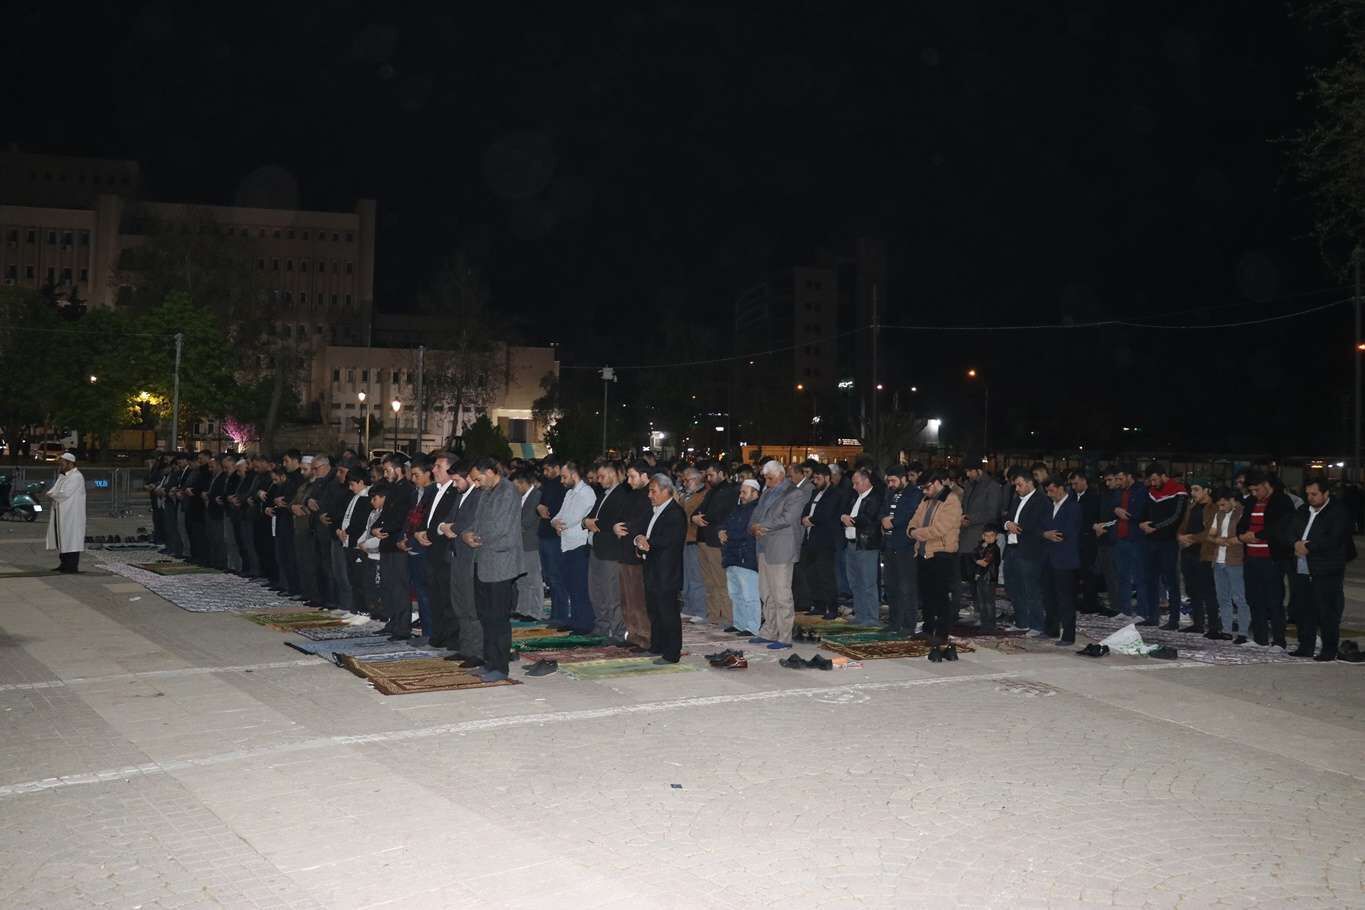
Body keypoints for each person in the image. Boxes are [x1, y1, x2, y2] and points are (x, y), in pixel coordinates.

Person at [463, 457, 523, 682]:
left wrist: (476, 537)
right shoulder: (486, 492)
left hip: (500, 563)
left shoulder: (508, 491)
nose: (476, 484)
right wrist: (466, 534)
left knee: (498, 617)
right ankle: (489, 662)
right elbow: (477, 521)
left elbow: (499, 527)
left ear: (489, 472)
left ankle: (500, 666)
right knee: (485, 616)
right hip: (483, 560)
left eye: (478, 479)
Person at [1286, 476, 1353, 661]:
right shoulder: (1302, 510)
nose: (1310, 498)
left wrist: (1308, 546)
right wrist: (1295, 543)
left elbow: (1334, 539)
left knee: (1327, 611)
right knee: (1304, 609)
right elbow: (1290, 530)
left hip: (1326, 568)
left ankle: (1329, 650)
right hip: (1302, 566)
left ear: (1326, 493)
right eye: (1308, 494)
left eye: (1314, 494)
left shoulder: (1338, 512)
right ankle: (1306, 646)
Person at [749, 460, 805, 649]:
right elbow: (755, 513)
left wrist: (762, 526)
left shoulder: (794, 493)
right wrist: (753, 527)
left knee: (781, 595)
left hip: (782, 549)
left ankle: (784, 636)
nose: (767, 481)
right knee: (766, 594)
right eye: (765, 478)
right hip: (763, 547)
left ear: (781, 475)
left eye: (770, 478)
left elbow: (787, 518)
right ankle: (769, 631)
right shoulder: (767, 492)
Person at [633, 473, 688, 663]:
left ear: (666, 491)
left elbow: (670, 540)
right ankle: (657, 645)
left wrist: (648, 543)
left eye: (653, 491)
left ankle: (672, 653)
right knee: (654, 611)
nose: (649, 495)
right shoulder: (655, 510)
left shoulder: (675, 512)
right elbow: (642, 532)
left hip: (667, 571)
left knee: (668, 612)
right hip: (652, 568)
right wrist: (639, 542)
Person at [1236, 470, 1294, 648]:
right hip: (1251, 557)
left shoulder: (1282, 501)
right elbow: (1242, 523)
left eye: (1257, 489)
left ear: (1267, 484)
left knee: (1274, 600)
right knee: (1254, 598)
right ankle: (1260, 638)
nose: (1254, 494)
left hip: (1272, 559)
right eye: (1251, 490)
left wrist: (1257, 535)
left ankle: (1278, 640)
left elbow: (1280, 526)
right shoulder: (1251, 501)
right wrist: (1242, 536)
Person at [907, 470, 963, 650]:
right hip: (923, 553)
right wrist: (912, 531)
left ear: (937, 482)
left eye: (927, 487)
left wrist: (917, 533)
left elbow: (940, 529)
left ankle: (941, 633)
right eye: (922, 488)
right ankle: (928, 628)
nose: (924, 491)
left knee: (941, 595)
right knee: (926, 595)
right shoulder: (926, 500)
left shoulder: (951, 500)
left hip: (942, 553)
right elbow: (913, 521)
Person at [441, 461, 485, 665]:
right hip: (456, 555)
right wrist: (446, 527)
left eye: (457, 480)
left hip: (470, 556)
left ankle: (477, 652)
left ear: (468, 477)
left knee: (471, 605)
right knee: (459, 603)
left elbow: (468, 524)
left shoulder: (478, 496)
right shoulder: (460, 496)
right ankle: (465, 648)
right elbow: (446, 521)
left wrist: (452, 528)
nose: (454, 485)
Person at [373, 454, 416, 640]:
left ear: (398, 469)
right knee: (388, 585)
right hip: (386, 543)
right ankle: (392, 621)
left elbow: (403, 517)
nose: (385, 474)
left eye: (387, 470)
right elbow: (384, 514)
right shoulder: (391, 488)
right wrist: (375, 528)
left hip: (398, 544)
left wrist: (385, 529)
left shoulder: (408, 489)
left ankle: (402, 627)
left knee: (399, 587)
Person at [551, 461, 597, 634]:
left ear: (574, 474)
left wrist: (559, 523)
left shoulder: (587, 493)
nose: (562, 481)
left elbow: (573, 518)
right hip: (566, 544)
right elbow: (558, 515)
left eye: (564, 477)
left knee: (580, 586)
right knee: (570, 584)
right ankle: (576, 619)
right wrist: (555, 523)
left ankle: (585, 623)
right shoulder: (570, 493)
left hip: (579, 544)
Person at [1140, 463, 1187, 629]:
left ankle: (1174, 620)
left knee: (1171, 581)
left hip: (1168, 542)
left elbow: (1176, 517)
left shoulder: (1179, 491)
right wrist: (1142, 524)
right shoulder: (1151, 492)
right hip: (1151, 541)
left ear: (1163, 475)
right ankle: (1152, 617)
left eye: (1154, 479)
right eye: (1150, 480)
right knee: (1150, 580)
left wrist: (1155, 526)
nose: (1153, 483)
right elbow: (1144, 512)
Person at [1003, 468, 1049, 635]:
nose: (1017, 488)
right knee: (1014, 588)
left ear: (1030, 483)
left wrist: (1018, 527)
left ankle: (1037, 625)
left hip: (1029, 551)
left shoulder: (1041, 501)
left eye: (1020, 485)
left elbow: (1037, 526)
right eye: (1015, 485)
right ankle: (1021, 622)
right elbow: (1005, 516)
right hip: (1011, 549)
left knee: (1031, 589)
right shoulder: (1017, 499)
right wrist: (1007, 524)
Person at [613, 461, 654, 649]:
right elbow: (620, 516)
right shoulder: (631, 494)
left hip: (638, 554)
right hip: (624, 551)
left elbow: (644, 521)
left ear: (644, 476)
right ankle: (633, 635)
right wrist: (616, 526)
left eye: (632, 477)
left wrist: (626, 528)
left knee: (638, 598)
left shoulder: (650, 495)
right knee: (627, 598)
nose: (628, 481)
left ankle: (645, 637)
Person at [693, 461, 738, 629]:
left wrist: (700, 517)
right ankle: (713, 614)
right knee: (708, 581)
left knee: (720, 581)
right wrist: (694, 517)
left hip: (716, 541)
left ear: (721, 474)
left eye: (711, 475)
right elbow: (698, 509)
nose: (708, 478)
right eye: (707, 475)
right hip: (704, 539)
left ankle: (726, 616)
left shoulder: (729, 491)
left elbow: (716, 513)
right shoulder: (711, 491)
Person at [585, 462, 626, 643]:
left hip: (611, 551)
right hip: (596, 548)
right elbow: (589, 518)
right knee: (596, 591)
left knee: (612, 594)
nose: (599, 480)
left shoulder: (622, 494)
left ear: (612, 474)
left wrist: (593, 523)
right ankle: (602, 626)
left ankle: (617, 631)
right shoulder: (603, 494)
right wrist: (586, 522)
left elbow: (614, 521)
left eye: (602, 476)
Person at [796, 462, 843, 620]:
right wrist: (804, 518)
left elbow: (827, 514)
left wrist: (812, 520)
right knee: (811, 574)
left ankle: (832, 607)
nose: (815, 481)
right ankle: (819, 604)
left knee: (826, 575)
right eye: (814, 478)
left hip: (825, 541)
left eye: (818, 478)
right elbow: (806, 509)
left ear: (827, 478)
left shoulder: (835, 494)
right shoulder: (815, 492)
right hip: (810, 539)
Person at [879, 465, 920, 633]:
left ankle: (908, 624)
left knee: (906, 587)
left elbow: (910, 515)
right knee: (891, 586)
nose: (891, 484)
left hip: (905, 546)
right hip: (889, 545)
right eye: (888, 481)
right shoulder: (890, 492)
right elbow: (882, 510)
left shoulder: (914, 494)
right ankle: (894, 622)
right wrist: (883, 519)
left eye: (893, 481)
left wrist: (893, 522)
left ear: (904, 478)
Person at [840, 467, 883, 626]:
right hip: (852, 544)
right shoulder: (855, 497)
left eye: (856, 483)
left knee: (867, 583)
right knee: (855, 582)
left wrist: (849, 519)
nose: (854, 486)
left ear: (866, 481)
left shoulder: (875, 498)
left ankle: (871, 618)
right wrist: (844, 517)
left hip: (866, 546)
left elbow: (868, 519)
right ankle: (861, 615)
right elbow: (846, 514)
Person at [1041, 476, 1080, 645]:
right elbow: (1041, 527)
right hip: (1049, 557)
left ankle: (1068, 635)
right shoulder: (1049, 506)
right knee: (1049, 596)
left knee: (1066, 598)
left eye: (1052, 490)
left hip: (1065, 558)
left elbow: (1069, 531)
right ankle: (1051, 629)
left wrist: (1050, 534)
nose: (1049, 494)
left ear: (1061, 488)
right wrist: (1044, 534)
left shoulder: (1073, 507)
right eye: (1047, 491)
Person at [1177, 479, 1219, 635]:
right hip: (1188, 552)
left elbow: (1210, 532)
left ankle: (1214, 626)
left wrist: (1191, 539)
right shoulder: (1192, 506)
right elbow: (1182, 525)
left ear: (1207, 490)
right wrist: (1180, 536)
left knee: (1208, 591)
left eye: (1196, 489)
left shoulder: (1213, 508)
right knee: (1192, 590)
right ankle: (1198, 623)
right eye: (1192, 490)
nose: (1193, 493)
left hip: (1204, 553)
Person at [1204, 487, 1247, 641]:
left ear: (1232, 501)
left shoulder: (1242, 513)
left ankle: (1243, 632)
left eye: (1223, 504)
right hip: (1219, 560)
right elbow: (1210, 535)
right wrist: (1218, 540)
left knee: (1239, 598)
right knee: (1223, 598)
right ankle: (1226, 630)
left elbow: (1244, 537)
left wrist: (1230, 540)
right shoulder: (1220, 514)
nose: (1221, 508)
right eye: (1219, 505)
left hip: (1235, 560)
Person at [721, 478, 761, 636]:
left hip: (746, 556)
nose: (741, 495)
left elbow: (747, 531)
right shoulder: (737, 508)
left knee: (749, 595)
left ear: (755, 493)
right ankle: (739, 624)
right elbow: (725, 524)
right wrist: (721, 531)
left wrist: (728, 534)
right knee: (735, 594)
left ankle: (752, 627)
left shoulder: (757, 509)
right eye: (741, 492)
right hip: (732, 555)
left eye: (745, 492)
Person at [1110, 465, 1150, 619]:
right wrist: (1116, 509)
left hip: (1136, 539)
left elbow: (1141, 513)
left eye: (1120, 479)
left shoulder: (1141, 491)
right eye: (1117, 479)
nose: (1118, 482)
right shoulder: (1118, 492)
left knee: (1140, 576)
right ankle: (1125, 610)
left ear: (1129, 476)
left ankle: (1143, 612)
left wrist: (1127, 514)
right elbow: (1112, 507)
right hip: (1120, 538)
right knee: (1122, 576)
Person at [535, 459, 568, 624]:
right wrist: (539, 508)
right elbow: (542, 505)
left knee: (557, 577)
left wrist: (545, 510)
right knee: (549, 577)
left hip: (555, 537)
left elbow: (560, 510)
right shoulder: (547, 484)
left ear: (557, 467)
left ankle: (561, 615)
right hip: (544, 534)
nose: (545, 473)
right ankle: (555, 614)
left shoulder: (563, 486)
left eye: (548, 469)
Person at [337, 468, 373, 614]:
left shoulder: (367, 498)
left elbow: (360, 522)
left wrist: (347, 532)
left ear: (361, 482)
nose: (350, 488)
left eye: (352, 484)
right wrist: (340, 531)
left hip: (358, 543)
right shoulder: (356, 496)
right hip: (348, 540)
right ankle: (356, 606)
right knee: (352, 577)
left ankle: (363, 607)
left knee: (360, 579)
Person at [45, 452, 86, 573]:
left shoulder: (76, 476)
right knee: (62, 538)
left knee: (71, 540)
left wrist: (51, 495)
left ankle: (71, 566)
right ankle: (64, 564)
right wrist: (51, 493)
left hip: (72, 514)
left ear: (70, 463)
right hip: (62, 512)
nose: (61, 465)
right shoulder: (63, 476)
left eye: (62, 463)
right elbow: (55, 490)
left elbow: (65, 493)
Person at [1068, 470, 1102, 614]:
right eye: (1072, 484)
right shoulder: (1071, 496)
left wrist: (1089, 526)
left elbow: (1090, 518)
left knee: (1088, 573)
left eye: (1076, 483)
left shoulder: (1093, 497)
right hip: (1075, 540)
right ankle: (1077, 601)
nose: (1074, 487)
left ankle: (1090, 603)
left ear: (1084, 481)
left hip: (1088, 540)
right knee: (1075, 573)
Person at [513, 468, 545, 621]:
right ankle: (523, 608)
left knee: (533, 579)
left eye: (515, 486)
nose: (514, 490)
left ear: (522, 483)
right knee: (522, 579)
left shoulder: (537, 496)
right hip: (519, 543)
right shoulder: (521, 497)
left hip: (530, 543)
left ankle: (535, 611)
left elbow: (527, 521)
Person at [679, 466, 709, 623]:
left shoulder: (705, 494)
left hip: (695, 539)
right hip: (683, 539)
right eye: (683, 480)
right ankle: (688, 608)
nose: (684, 483)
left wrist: (689, 518)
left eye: (687, 480)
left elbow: (699, 516)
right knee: (685, 577)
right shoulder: (685, 496)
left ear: (697, 479)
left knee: (696, 576)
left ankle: (700, 610)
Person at [970, 525, 1002, 630]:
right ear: (983, 536)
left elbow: (984, 563)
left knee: (988, 603)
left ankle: (990, 625)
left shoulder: (994, 548)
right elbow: (973, 554)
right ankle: (984, 623)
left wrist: (976, 559)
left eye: (992, 535)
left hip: (989, 578)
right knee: (982, 602)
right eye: (986, 536)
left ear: (996, 536)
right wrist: (977, 557)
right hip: (981, 577)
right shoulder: (982, 546)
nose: (989, 538)